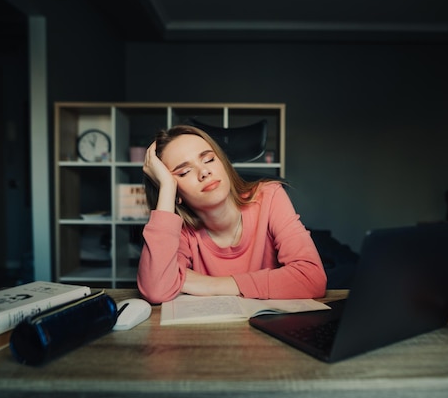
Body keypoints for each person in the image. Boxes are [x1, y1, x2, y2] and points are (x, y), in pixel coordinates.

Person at [137, 124, 327, 304]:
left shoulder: (270, 196)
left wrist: (209, 285)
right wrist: (168, 189)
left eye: (209, 159)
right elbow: (156, 290)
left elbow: (311, 277)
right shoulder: (182, 231)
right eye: (185, 172)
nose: (204, 171)